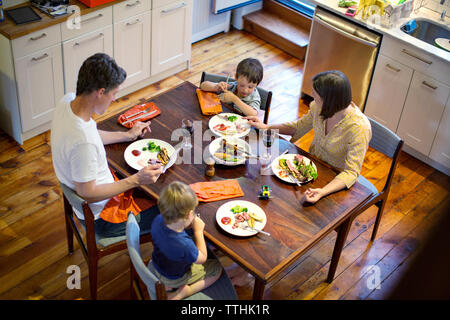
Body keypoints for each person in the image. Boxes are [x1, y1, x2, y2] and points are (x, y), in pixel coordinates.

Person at [51, 53, 162, 237]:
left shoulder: (67, 102)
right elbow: (87, 192)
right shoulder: (83, 142)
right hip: (104, 217)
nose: (114, 99)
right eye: (114, 94)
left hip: (103, 192)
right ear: (101, 92)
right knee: (178, 210)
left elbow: (91, 134)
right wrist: (135, 180)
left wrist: (127, 135)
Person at [245, 70, 372, 204]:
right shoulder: (318, 108)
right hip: (309, 170)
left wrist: (322, 191)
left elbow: (351, 173)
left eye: (315, 93)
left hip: (333, 180)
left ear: (329, 101)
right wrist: (266, 127)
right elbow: (298, 127)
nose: (311, 95)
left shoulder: (359, 128)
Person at [149, 181, 223, 300]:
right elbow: (202, 258)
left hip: (156, 266)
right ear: (189, 215)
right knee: (217, 268)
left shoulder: (158, 221)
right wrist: (198, 231)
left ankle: (167, 284)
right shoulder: (184, 244)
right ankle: (185, 292)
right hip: (175, 277)